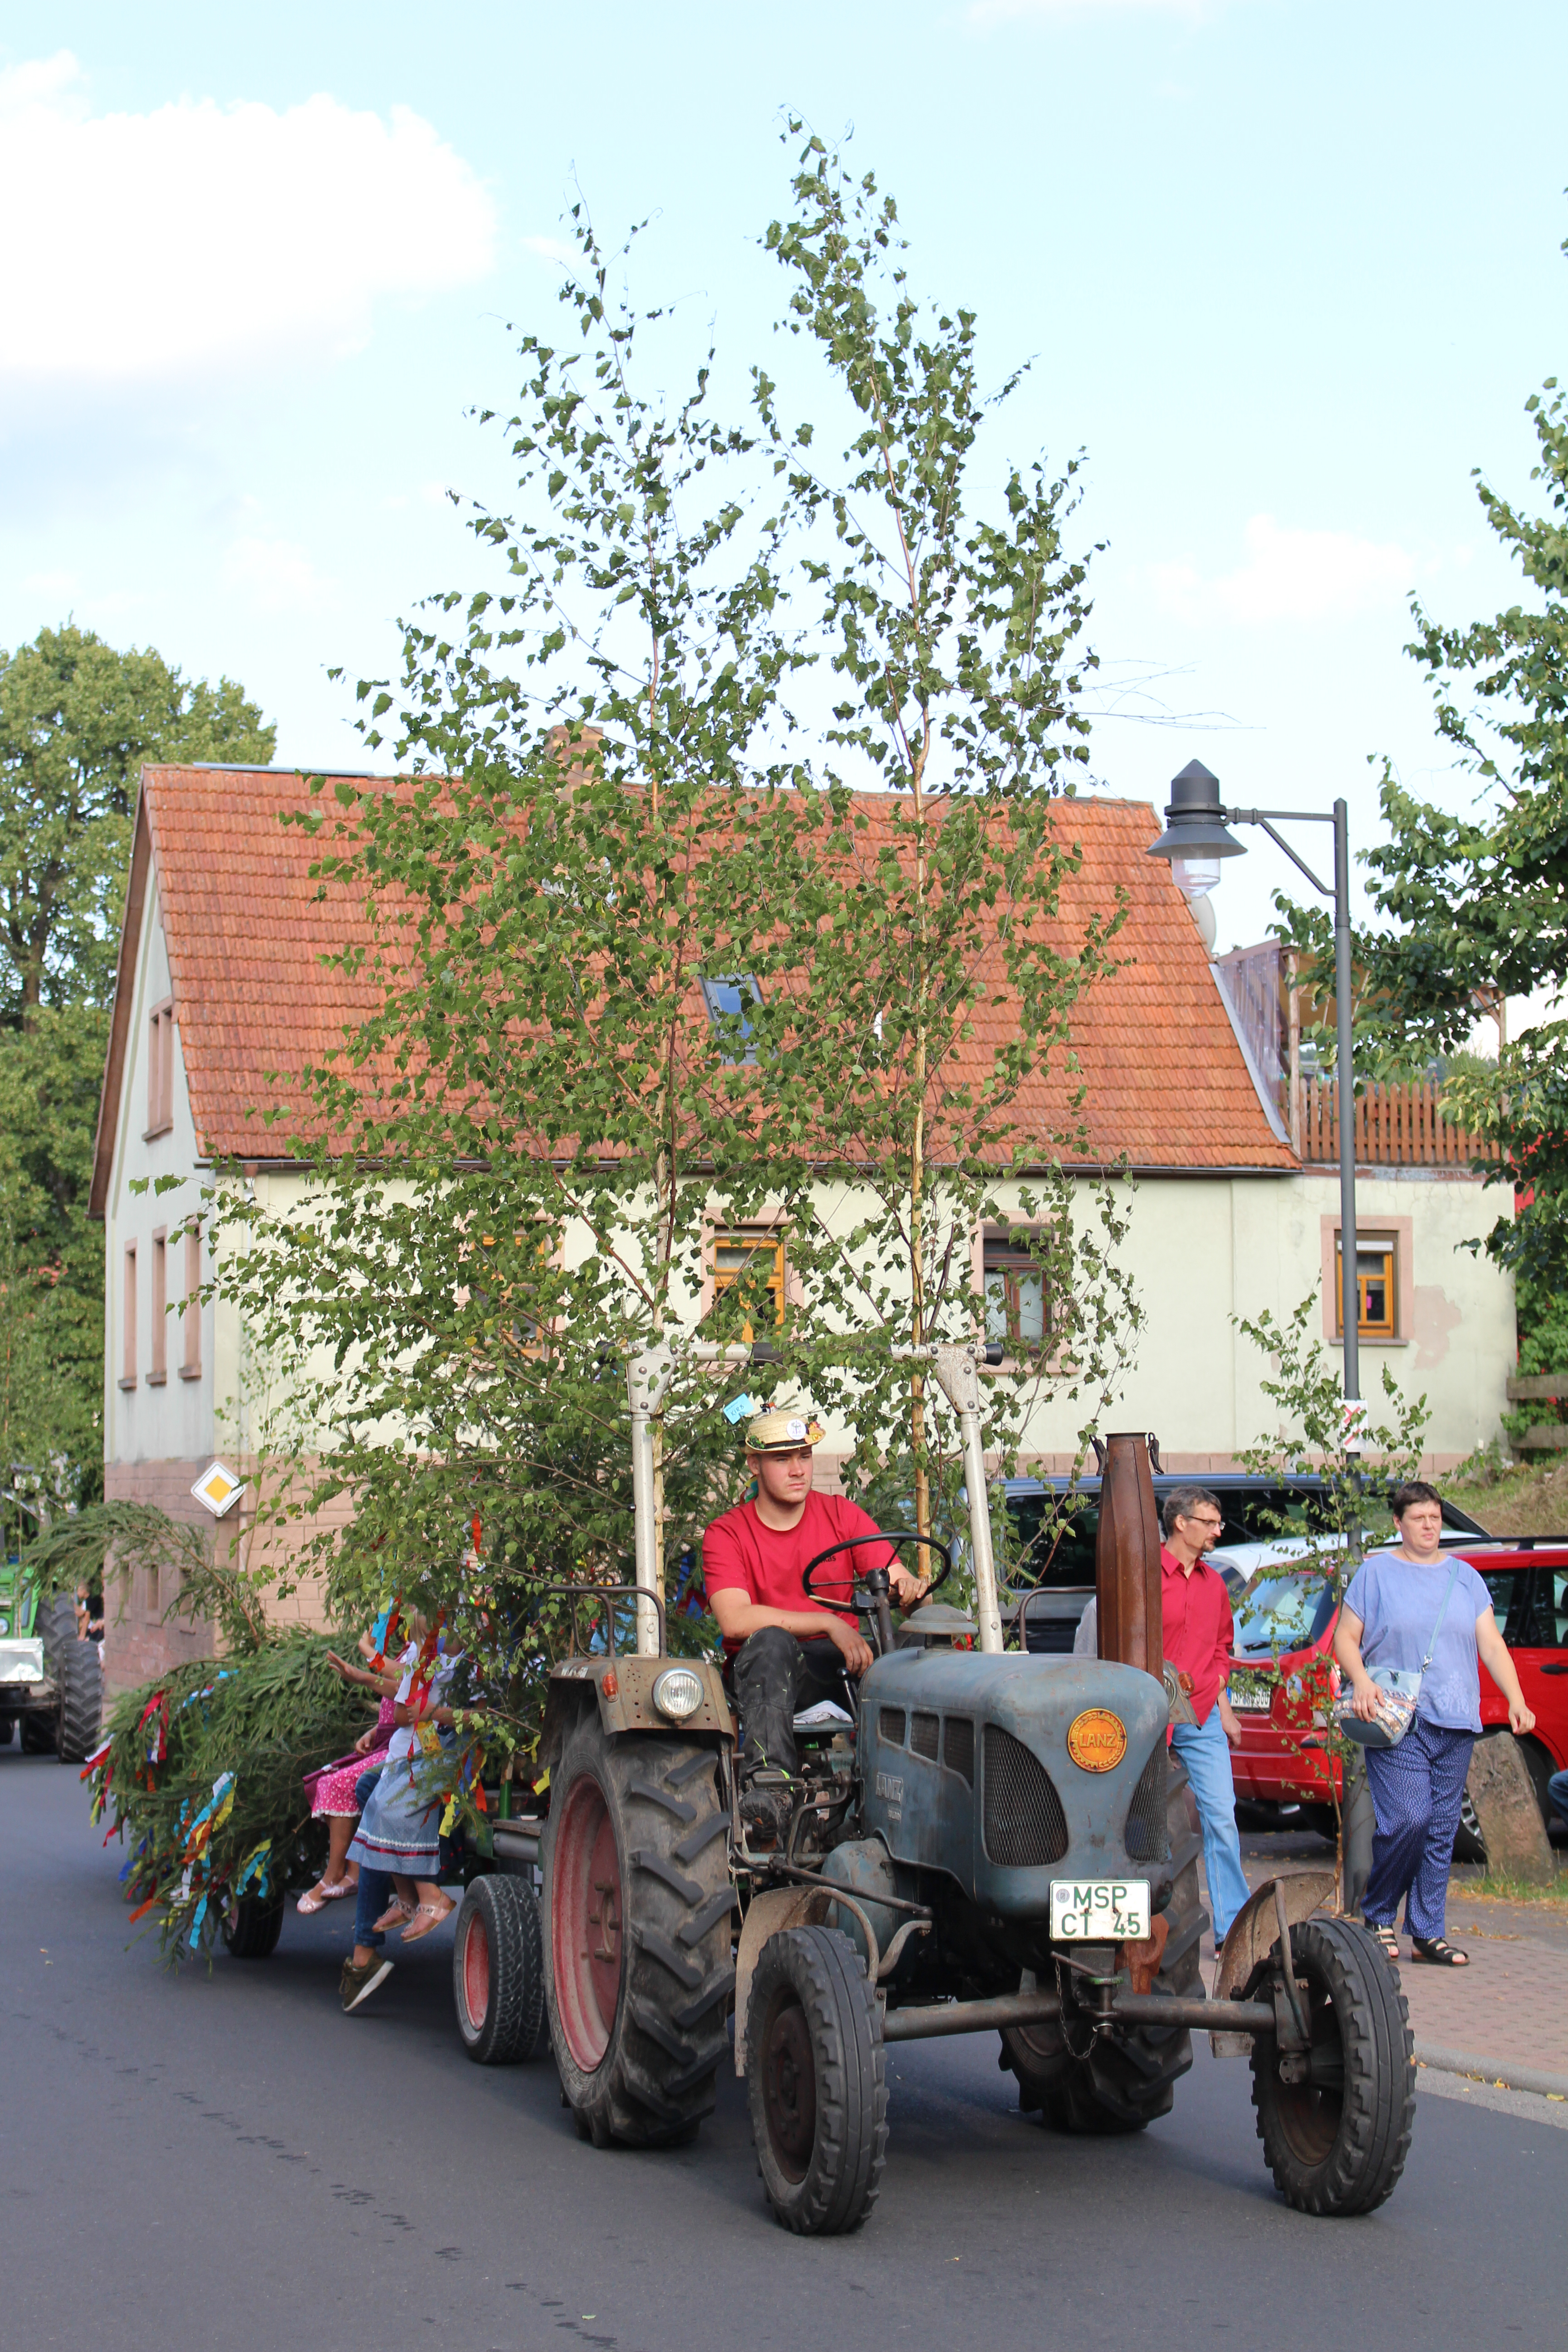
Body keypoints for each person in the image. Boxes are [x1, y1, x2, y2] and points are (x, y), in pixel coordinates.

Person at [1335, 1480, 1536, 1966]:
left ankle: (1427, 1932)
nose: (1429, 1526)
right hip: (1398, 1718)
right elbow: (1345, 1638)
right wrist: (1360, 1681)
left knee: (1442, 1829)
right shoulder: (1376, 1574)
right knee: (1409, 1818)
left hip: (1457, 1718)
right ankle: (1379, 1914)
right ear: (1399, 1523)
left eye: (1435, 1518)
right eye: (1419, 1518)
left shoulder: (1465, 1578)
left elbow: (1491, 1645)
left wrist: (1516, 1698)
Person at [702, 1405, 928, 1830]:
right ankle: (772, 1790)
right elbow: (734, 1620)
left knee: (925, 1649)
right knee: (771, 1642)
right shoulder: (727, 1533)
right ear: (754, 1464)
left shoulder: (842, 1515)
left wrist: (913, 1595)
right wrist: (829, 1623)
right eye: (782, 1459)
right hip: (770, 1675)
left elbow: (896, 1581)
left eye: (804, 1456)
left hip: (844, 1668)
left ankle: (923, 1784)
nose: (798, 1470)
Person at [339, 1625, 467, 2014]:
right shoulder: (423, 1652)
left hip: (441, 1755)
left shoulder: (471, 1657)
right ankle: (408, 1896)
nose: (420, 1630)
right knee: (370, 1791)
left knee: (380, 1803)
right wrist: (368, 1673)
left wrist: (368, 1662)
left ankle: (421, 1902)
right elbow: (402, 1691)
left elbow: (480, 1717)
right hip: (409, 1752)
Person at [1158, 1485, 1250, 1951]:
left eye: (1219, 1523)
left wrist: (1224, 1708)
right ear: (1181, 1523)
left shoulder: (1215, 1584)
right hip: (1151, 1713)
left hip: (1201, 1715)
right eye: (1210, 1522)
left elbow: (1221, 1649)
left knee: (1221, 1818)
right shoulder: (1147, 1575)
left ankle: (1233, 1930)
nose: (1218, 1531)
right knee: (1147, 1820)